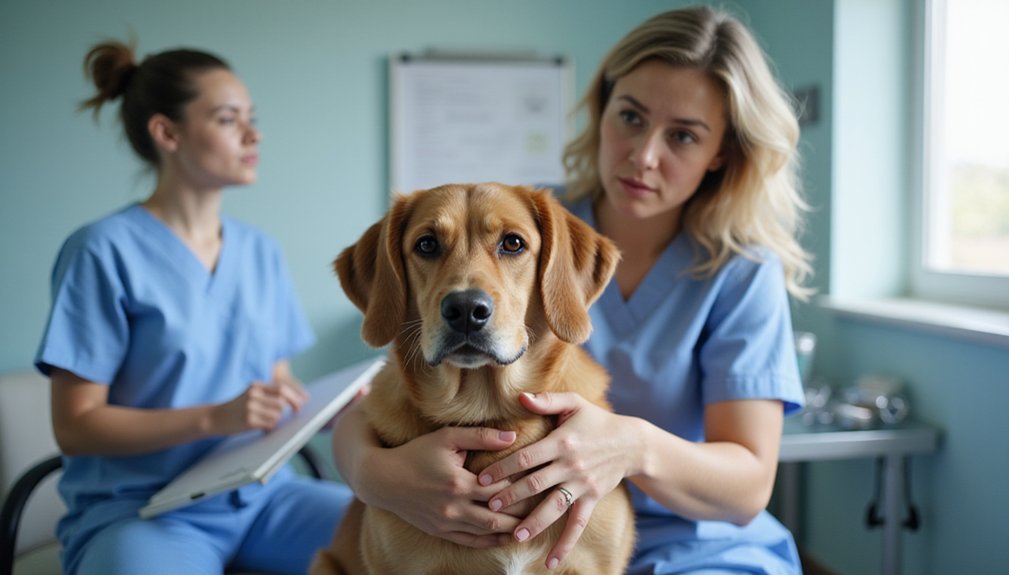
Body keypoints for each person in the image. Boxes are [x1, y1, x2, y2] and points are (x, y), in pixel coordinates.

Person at [332, 5, 809, 573]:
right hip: (486, 520)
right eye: (630, 117)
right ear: (602, 110)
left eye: (683, 135)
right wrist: (374, 476)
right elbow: (374, 408)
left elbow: (749, 486)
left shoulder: (741, 271)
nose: (644, 156)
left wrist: (632, 447)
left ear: (721, 152)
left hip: (694, 539)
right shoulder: (528, 214)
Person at [34, 40, 349, 575]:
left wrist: (319, 410)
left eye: (251, 119)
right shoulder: (101, 251)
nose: (253, 135)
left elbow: (275, 390)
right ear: (167, 133)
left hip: (264, 497)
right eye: (228, 119)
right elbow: (76, 426)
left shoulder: (260, 252)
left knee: (404, 536)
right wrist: (215, 418)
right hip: (143, 512)